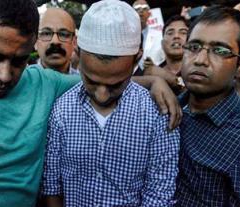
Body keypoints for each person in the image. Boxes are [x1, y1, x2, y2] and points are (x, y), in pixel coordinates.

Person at [41, 0, 180, 206]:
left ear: (136, 60)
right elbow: (52, 186)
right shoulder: (62, 109)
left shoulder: (157, 114)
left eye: (116, 84)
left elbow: (158, 195)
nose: (102, 95)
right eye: (91, 81)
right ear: (78, 53)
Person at [0, 0, 80, 206]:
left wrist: (152, 82)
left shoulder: (41, 84)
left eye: (19, 61)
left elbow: (102, 81)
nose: (5, 75)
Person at [175, 6, 240, 206]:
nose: (201, 60)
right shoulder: (166, 108)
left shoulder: (237, 137)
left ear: (239, 66)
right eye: (194, 47)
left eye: (220, 50)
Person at [141, 15, 189, 94]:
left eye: (183, 33)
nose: (176, 36)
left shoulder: (199, 70)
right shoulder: (150, 74)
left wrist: (171, 79)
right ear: (162, 44)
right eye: (170, 33)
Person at [35, 7, 78, 74]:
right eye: (46, 33)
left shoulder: (84, 83)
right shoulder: (19, 82)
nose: (55, 41)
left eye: (63, 34)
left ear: (74, 42)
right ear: (35, 41)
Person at [133, 0, 165, 68]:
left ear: (149, 13)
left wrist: (154, 67)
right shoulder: (123, 36)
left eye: (144, 8)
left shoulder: (160, 36)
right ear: (131, 13)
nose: (141, 11)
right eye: (137, 8)